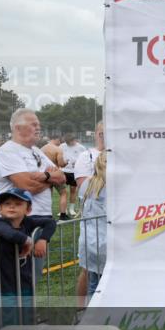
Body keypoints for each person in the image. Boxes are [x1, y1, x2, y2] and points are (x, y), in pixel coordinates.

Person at [0, 188, 56, 330]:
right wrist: (28, 241)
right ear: (0, 209)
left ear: (28, 210)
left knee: (27, 315)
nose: (12, 206)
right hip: (3, 282)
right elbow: (10, 234)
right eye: (7, 203)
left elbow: (50, 223)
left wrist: (42, 240)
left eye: (18, 203)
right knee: (8, 319)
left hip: (24, 280)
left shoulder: (27, 222)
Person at [0, 109, 66, 220]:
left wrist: (45, 176)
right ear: (18, 128)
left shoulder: (37, 151)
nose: (38, 128)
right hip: (17, 221)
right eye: (34, 124)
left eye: (39, 125)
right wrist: (50, 180)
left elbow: (62, 178)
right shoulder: (7, 151)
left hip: (44, 215)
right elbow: (28, 187)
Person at [77, 152, 107, 302]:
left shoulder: (86, 184)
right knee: (102, 285)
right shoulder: (111, 188)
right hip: (105, 243)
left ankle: (84, 314)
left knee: (93, 282)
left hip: (88, 241)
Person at [40, 137, 69, 220]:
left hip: (45, 174)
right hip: (55, 174)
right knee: (63, 193)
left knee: (48, 195)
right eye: (59, 140)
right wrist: (66, 163)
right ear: (56, 139)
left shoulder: (42, 149)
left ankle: (48, 215)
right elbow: (61, 164)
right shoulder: (58, 149)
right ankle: (63, 215)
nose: (60, 142)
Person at [73, 122, 104, 189]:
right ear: (95, 135)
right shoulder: (85, 156)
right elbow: (82, 186)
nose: (104, 137)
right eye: (101, 134)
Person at [61, 134, 85, 217]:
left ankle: (71, 208)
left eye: (70, 142)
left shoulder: (81, 147)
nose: (69, 144)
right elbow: (59, 156)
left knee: (73, 190)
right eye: (67, 143)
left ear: (74, 140)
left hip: (74, 172)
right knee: (63, 191)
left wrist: (77, 163)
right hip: (63, 171)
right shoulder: (62, 146)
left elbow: (84, 159)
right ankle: (63, 209)